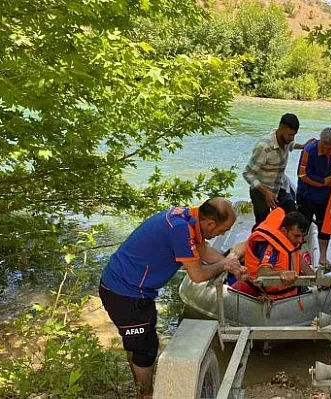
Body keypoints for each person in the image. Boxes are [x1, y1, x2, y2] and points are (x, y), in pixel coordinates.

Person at [98, 198, 246, 398]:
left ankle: (141, 388)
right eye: (224, 229)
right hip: (126, 292)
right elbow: (198, 275)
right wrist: (223, 265)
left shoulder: (188, 217)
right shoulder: (180, 230)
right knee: (145, 348)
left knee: (138, 342)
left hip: (130, 287)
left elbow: (203, 251)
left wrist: (232, 265)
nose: (224, 233)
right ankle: (146, 394)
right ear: (210, 223)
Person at [243, 113, 314, 228]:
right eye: (290, 135)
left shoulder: (285, 139)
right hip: (261, 190)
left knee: (291, 214)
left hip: (279, 186)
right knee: (263, 224)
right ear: (281, 128)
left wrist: (303, 146)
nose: (292, 138)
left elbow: (290, 144)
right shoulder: (264, 147)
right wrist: (266, 192)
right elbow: (247, 173)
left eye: (294, 135)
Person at [296, 127, 331, 265]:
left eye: (329, 149)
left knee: (325, 226)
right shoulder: (309, 150)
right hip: (307, 194)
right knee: (303, 226)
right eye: (323, 148)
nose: (326, 152)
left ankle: (322, 257)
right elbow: (302, 174)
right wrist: (324, 181)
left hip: (328, 196)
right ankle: (298, 255)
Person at [232, 208, 315, 299]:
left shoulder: (290, 244)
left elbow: (300, 261)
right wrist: (282, 273)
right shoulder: (271, 247)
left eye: (303, 236)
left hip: (291, 292)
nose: (300, 241)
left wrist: (317, 279)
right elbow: (262, 273)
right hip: (272, 296)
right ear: (284, 230)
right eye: (297, 236)